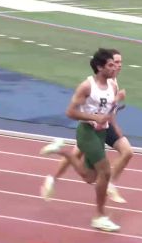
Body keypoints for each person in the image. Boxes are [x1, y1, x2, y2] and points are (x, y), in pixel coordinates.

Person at [40, 48, 122, 232]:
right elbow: (70, 112)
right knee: (105, 172)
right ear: (100, 67)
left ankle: (62, 151)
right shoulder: (87, 86)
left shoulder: (113, 86)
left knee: (90, 177)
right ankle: (99, 216)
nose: (114, 68)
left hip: (100, 134)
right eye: (110, 65)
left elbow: (108, 111)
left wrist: (117, 102)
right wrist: (94, 118)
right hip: (86, 133)